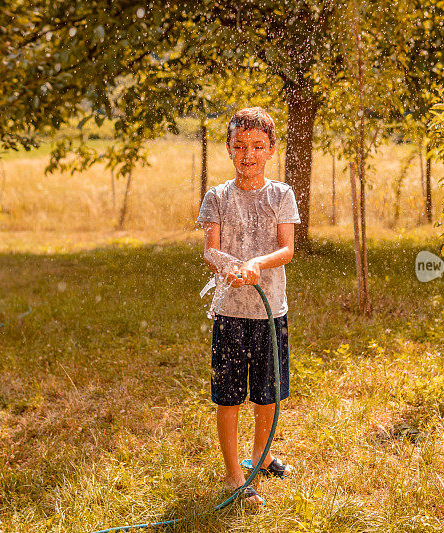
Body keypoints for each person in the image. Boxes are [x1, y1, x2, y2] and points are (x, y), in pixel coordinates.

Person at [197, 106, 299, 505]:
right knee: (229, 396)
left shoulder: (282, 195)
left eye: (258, 146)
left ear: (272, 149)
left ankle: (262, 454)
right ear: (228, 149)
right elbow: (211, 251)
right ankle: (234, 475)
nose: (248, 154)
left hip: (271, 312)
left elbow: (287, 249)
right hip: (231, 315)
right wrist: (231, 266)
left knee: (269, 392)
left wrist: (257, 263)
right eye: (239, 146)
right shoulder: (217, 197)